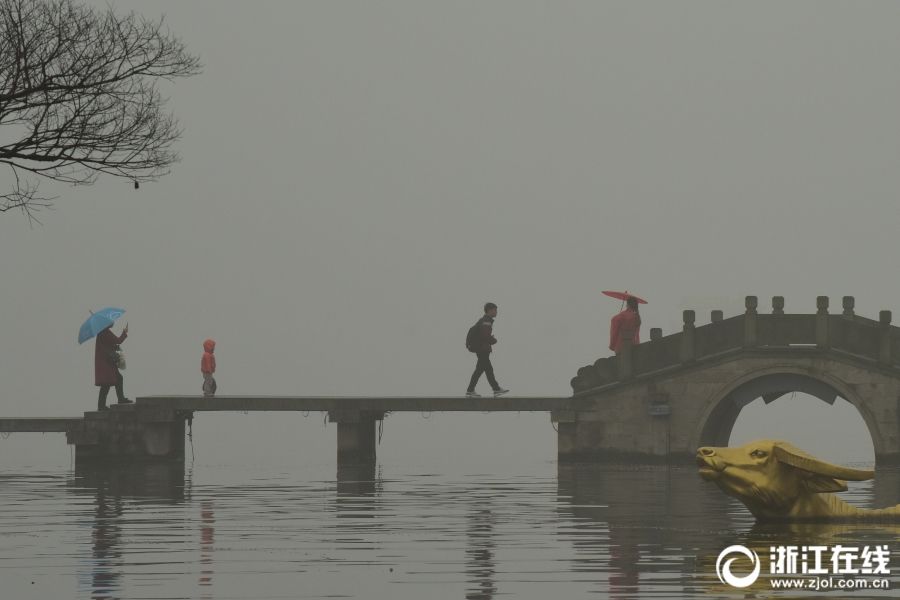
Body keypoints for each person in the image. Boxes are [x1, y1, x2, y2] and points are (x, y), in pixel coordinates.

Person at [466, 302, 509, 398]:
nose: (496, 312)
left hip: (481, 348)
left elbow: (483, 334)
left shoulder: (484, 320)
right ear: (489, 310)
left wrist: (489, 339)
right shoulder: (486, 321)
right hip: (482, 349)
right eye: (495, 310)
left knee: (482, 369)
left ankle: (471, 390)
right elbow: (485, 336)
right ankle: (495, 389)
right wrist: (493, 340)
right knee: (487, 369)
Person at [95, 323, 130, 410]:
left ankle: (104, 404)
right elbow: (118, 340)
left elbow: (107, 345)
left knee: (115, 380)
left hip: (106, 361)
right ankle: (102, 405)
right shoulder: (105, 332)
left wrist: (114, 347)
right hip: (106, 363)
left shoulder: (102, 332)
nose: (113, 322)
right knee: (107, 384)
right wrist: (124, 332)